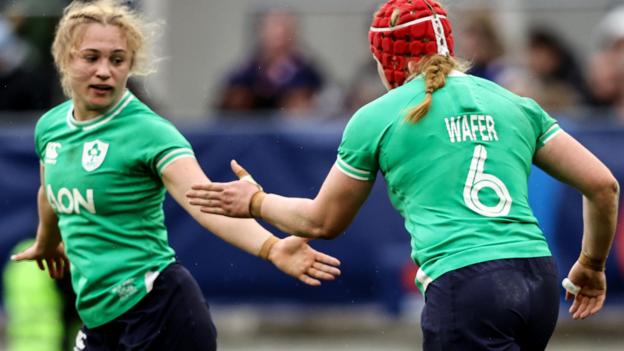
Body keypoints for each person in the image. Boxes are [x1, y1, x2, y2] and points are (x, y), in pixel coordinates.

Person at [186, 0, 620, 350]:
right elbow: (602, 186)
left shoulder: (379, 116)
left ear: (383, 58)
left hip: (466, 285)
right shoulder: (514, 102)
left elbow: (322, 221)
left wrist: (255, 202)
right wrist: (591, 265)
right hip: (537, 282)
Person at [10, 1, 341, 350]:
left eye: (117, 59)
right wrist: (47, 241)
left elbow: (203, 203)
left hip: (159, 310)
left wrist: (272, 248)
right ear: (65, 58)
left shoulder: (149, 132)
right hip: (99, 320)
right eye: (91, 58)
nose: (104, 70)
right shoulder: (50, 127)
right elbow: (50, 193)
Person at [215, 8, 325, 116]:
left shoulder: (305, 71)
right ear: (263, 32)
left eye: (284, 28)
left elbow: (325, 99)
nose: (279, 34)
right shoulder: (248, 69)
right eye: (274, 27)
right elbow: (229, 102)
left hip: (294, 131)